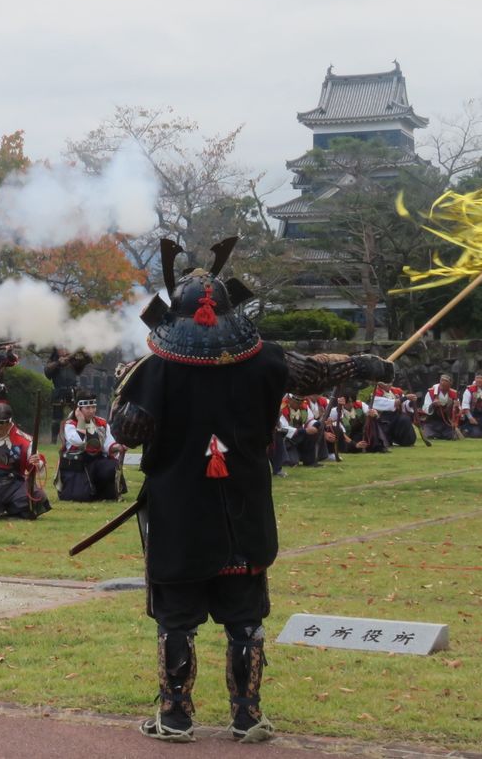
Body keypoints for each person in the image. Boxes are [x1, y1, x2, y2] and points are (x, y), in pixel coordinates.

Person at [109, 237, 393, 744]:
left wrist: (122, 386)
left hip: (178, 513)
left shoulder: (155, 368)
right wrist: (366, 363)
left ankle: (175, 718)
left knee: (178, 620)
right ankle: (246, 717)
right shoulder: (267, 360)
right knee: (245, 621)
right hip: (243, 507)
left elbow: (128, 431)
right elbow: (319, 372)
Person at [55, 393, 125, 501]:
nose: (91, 411)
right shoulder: (70, 424)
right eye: (87, 408)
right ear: (79, 409)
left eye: (93, 407)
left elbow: (108, 444)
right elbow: (78, 441)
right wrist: (81, 420)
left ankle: (104, 492)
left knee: (111, 467)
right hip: (77, 465)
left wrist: (119, 447)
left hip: (97, 460)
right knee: (82, 496)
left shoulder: (101, 423)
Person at [44, 348, 93, 443]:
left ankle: (86, 436)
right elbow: (47, 372)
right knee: (56, 419)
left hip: (73, 391)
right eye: (61, 349)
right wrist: (58, 362)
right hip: (59, 391)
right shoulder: (53, 362)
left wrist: (85, 354)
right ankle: (53, 440)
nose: (64, 350)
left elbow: (87, 361)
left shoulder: (73, 361)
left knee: (80, 414)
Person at [277, 394, 323, 468]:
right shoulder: (282, 408)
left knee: (315, 432)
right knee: (292, 462)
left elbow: (310, 420)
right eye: (296, 402)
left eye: (300, 402)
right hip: (287, 440)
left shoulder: (304, 407)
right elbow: (283, 428)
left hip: (300, 436)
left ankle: (310, 461)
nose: (298, 404)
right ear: (289, 400)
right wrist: (304, 431)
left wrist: (315, 426)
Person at [370, 380, 417, 447]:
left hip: (397, 416)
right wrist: (405, 398)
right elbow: (389, 404)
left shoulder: (396, 391)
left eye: (390, 382)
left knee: (405, 419)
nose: (389, 384)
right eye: (386, 382)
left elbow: (405, 404)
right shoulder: (376, 393)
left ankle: (407, 441)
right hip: (383, 419)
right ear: (379, 383)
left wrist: (411, 402)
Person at [421, 374, 461, 441]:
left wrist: (456, 407)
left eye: (445, 381)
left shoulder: (454, 394)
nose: (442, 382)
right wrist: (433, 404)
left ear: (450, 384)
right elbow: (425, 409)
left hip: (446, 422)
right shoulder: (431, 392)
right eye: (441, 380)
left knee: (451, 436)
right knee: (431, 435)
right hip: (431, 422)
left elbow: (458, 412)